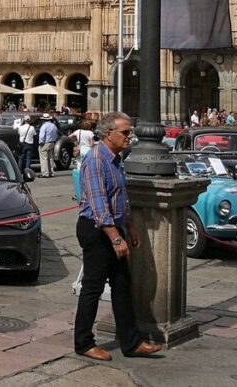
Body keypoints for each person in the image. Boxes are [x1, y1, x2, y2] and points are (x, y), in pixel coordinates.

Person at [74, 111, 160, 361]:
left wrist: (129, 226)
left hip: (113, 228)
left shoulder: (115, 158)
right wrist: (115, 237)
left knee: (122, 285)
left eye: (130, 131)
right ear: (108, 133)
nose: (129, 136)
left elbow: (119, 196)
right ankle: (83, 343)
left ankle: (131, 342)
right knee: (93, 286)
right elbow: (99, 204)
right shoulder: (96, 160)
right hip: (96, 230)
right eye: (125, 132)